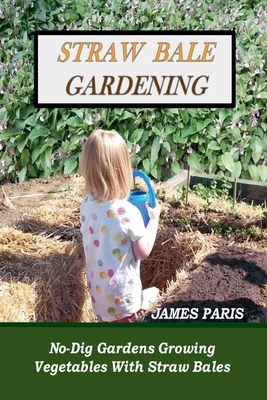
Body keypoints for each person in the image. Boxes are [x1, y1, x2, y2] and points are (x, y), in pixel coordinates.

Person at [79, 129, 161, 322]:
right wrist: (154, 220)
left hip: (99, 298)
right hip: (124, 301)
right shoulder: (127, 212)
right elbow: (143, 252)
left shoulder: (86, 203)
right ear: (123, 169)